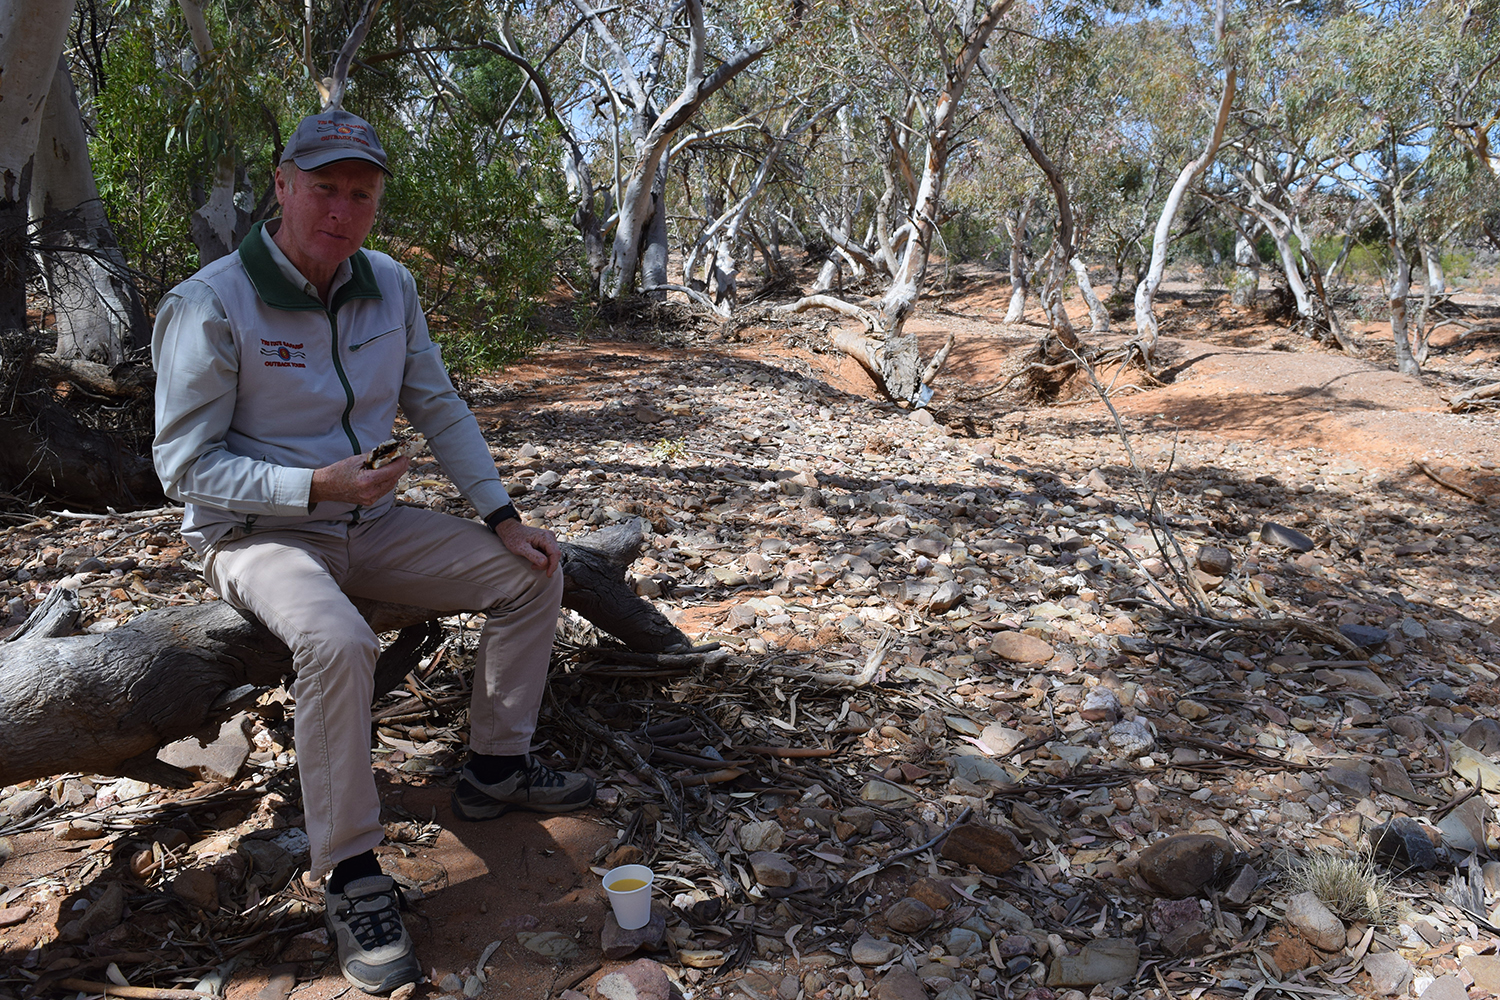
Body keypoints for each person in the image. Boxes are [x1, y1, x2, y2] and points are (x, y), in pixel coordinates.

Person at [151, 109, 594, 994]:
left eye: (362, 194)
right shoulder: (210, 303)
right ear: (281, 185)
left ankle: (497, 769)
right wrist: (314, 488)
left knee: (530, 572)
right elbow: (182, 467)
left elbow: (437, 404)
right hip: (259, 533)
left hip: (372, 523)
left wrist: (502, 514)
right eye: (324, 188)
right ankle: (352, 873)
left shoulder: (388, 284)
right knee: (339, 640)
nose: (341, 209)